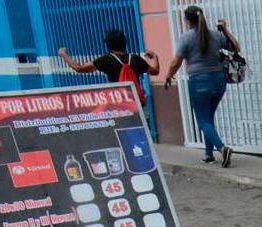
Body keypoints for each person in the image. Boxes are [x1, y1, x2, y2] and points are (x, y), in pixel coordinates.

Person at [163, 5, 240, 168]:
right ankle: (208, 154)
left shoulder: (186, 37)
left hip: (199, 82)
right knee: (208, 118)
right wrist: (225, 30)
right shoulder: (216, 35)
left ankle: (222, 148)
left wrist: (168, 75)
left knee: (203, 120)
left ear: (187, 21)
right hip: (218, 81)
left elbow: (176, 62)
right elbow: (236, 48)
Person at [58, 29, 160, 97]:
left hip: (119, 102)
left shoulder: (107, 60)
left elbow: (79, 68)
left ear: (108, 45)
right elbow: (155, 71)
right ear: (124, 43)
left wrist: (63, 54)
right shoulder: (135, 58)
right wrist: (155, 57)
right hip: (136, 101)